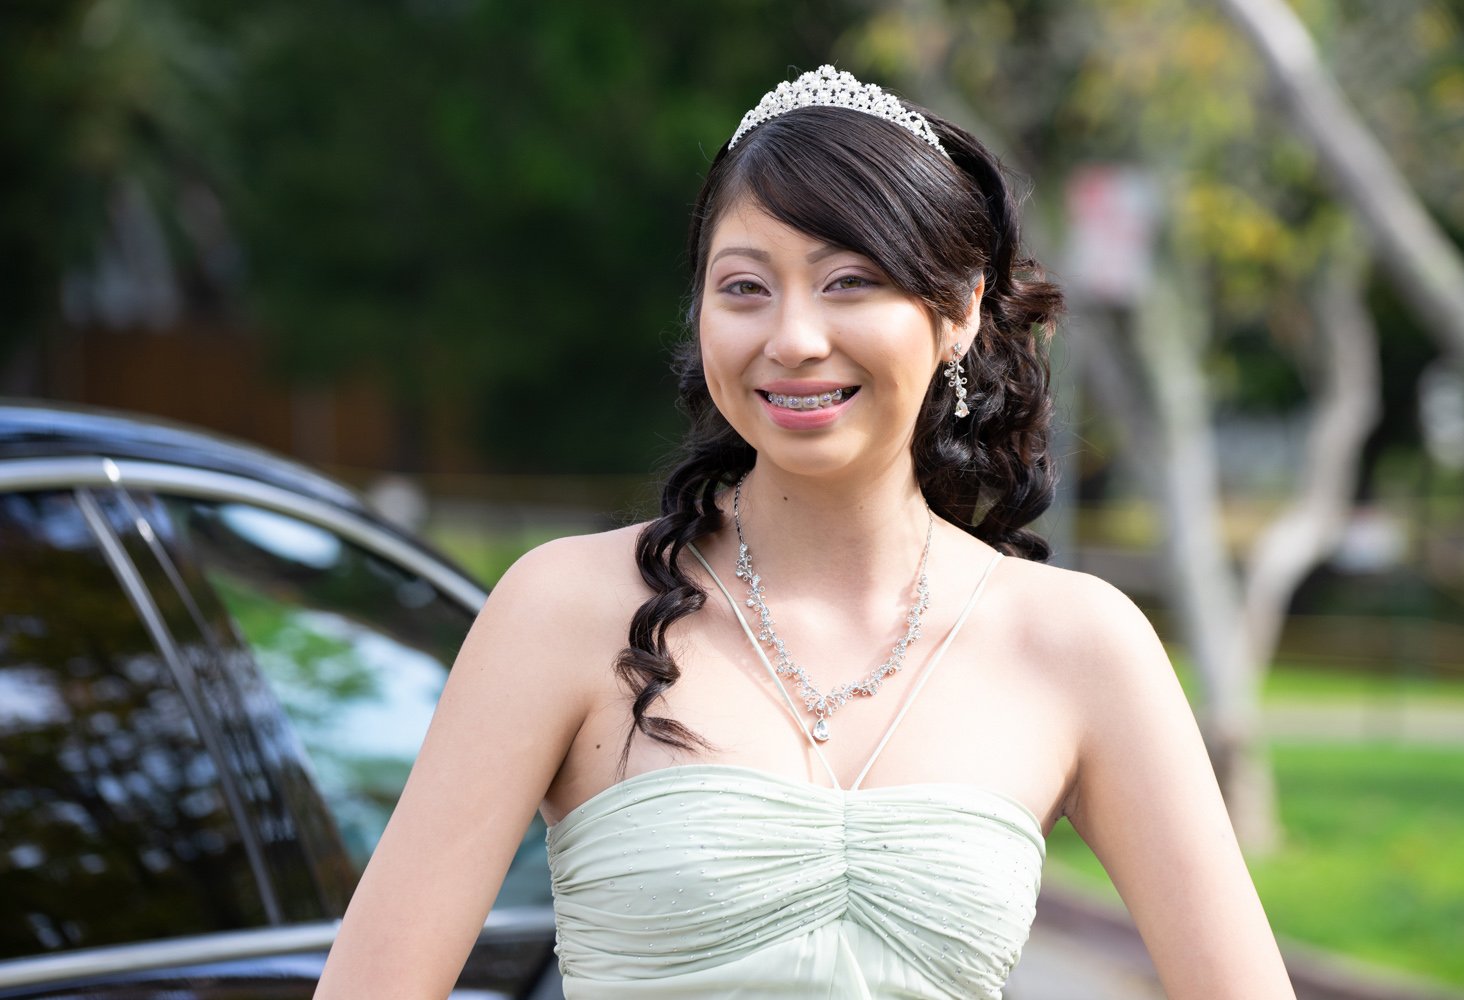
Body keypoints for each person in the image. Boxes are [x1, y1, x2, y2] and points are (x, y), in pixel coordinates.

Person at [314, 65, 1295, 999]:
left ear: (958, 310)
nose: (792, 337)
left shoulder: (1078, 642)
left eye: (849, 281)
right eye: (745, 286)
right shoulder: (562, 610)